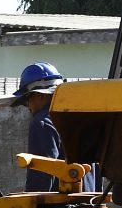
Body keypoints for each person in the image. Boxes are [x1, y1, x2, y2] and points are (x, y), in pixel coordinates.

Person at [13, 62, 98, 193]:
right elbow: (96, 170)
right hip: (90, 201)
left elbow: (41, 175)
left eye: (27, 101)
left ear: (39, 96)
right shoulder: (82, 119)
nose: (29, 107)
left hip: (62, 203)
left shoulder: (42, 123)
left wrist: (31, 202)